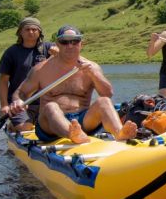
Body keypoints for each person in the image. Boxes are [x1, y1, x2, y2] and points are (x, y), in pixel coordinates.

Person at [9, 25, 137, 144]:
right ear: (57, 43)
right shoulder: (41, 69)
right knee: (51, 106)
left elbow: (107, 94)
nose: (70, 45)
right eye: (64, 41)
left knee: (104, 101)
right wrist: (17, 101)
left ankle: (119, 133)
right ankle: (72, 134)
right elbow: (21, 93)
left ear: (81, 44)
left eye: (74, 41)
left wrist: (94, 75)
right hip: (49, 124)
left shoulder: (92, 67)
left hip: (81, 120)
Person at [0, 17, 57, 131]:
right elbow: (3, 81)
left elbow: (68, 57)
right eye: (27, 29)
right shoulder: (11, 52)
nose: (31, 32)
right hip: (19, 102)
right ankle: (12, 126)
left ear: (39, 32)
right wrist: (4, 105)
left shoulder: (49, 48)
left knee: (57, 126)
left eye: (34, 29)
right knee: (25, 127)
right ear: (20, 32)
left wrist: (59, 53)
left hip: (45, 102)